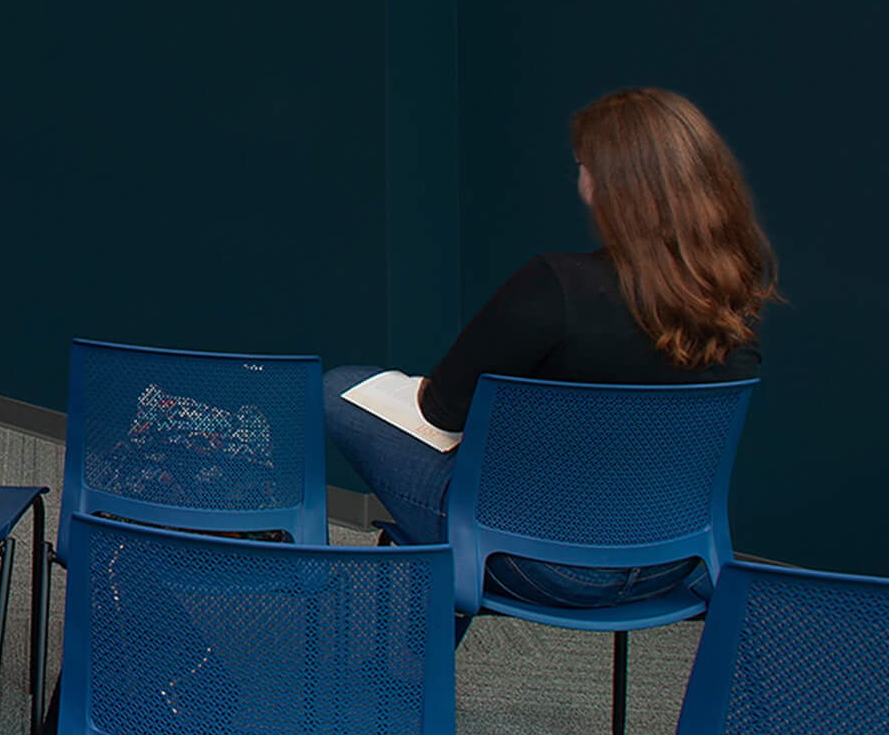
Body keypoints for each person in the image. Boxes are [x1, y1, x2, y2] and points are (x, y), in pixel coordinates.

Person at [326, 87, 779, 606]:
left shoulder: (554, 284)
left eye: (583, 166)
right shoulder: (738, 296)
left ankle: (403, 678)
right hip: (676, 561)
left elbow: (442, 409)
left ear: (612, 186)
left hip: (537, 562)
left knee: (338, 390)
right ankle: (410, 662)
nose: (580, 179)